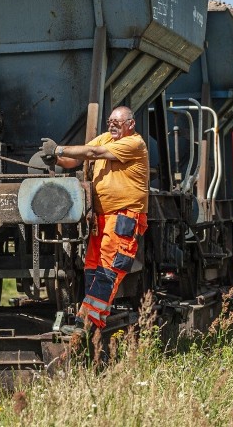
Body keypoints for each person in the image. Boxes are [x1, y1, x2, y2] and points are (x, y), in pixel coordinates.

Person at [39, 105, 149, 333]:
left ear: (131, 124)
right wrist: (56, 159)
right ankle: (91, 320)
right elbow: (77, 160)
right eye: (110, 121)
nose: (112, 125)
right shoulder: (105, 138)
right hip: (102, 218)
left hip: (123, 216)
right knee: (93, 266)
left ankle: (88, 320)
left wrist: (59, 148)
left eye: (117, 123)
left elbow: (94, 153)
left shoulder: (134, 143)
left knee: (110, 268)